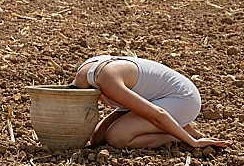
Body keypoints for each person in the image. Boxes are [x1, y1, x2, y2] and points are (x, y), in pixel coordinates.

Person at [70, 55, 230, 149]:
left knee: (117, 138)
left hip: (182, 99)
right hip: (153, 98)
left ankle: (176, 134)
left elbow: (157, 114)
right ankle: (177, 126)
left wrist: (193, 142)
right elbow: (115, 104)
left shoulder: (107, 81)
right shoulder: (83, 75)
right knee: (97, 139)